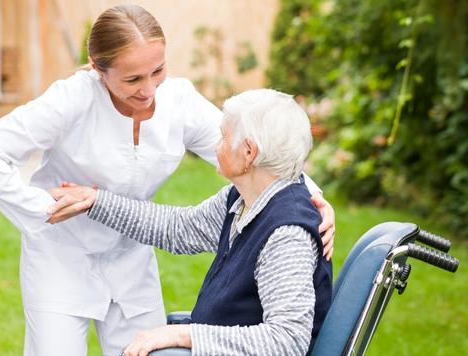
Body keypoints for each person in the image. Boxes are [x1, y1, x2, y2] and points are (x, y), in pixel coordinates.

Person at [0, 5, 335, 356]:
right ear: (97, 69)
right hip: (62, 258)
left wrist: (313, 200)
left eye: (158, 71)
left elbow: (264, 153)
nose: (149, 89)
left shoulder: (179, 101)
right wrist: (44, 209)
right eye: (133, 78)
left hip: (131, 259)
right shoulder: (71, 101)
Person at [48, 89, 332, 356]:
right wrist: (96, 202)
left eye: (223, 137)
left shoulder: (286, 235)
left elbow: (287, 341)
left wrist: (185, 336)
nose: (214, 145)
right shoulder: (245, 199)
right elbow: (178, 228)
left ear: (248, 153)